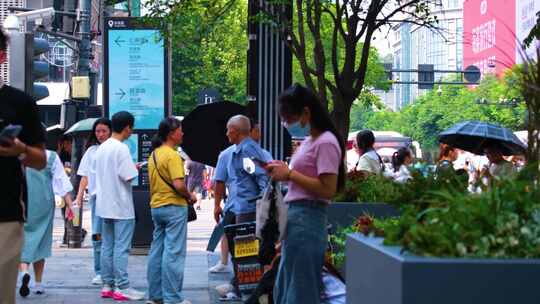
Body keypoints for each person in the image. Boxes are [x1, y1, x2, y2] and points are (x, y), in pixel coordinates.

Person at [265, 84, 345, 304]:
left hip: (307, 218)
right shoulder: (311, 141)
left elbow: (327, 188)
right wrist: (285, 171)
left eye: (289, 118)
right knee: (290, 285)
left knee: (300, 289)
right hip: (299, 219)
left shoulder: (326, 142)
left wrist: (289, 174)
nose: (287, 124)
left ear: (306, 113)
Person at [0, 26, 47, 304]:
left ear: (2, 57)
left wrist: (19, 150)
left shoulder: (20, 103)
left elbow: (40, 160)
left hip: (5, 215)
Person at [216, 115, 271, 300]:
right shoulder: (241, 150)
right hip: (241, 207)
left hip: (249, 209)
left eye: (227, 129)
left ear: (235, 131)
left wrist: (262, 205)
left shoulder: (248, 150)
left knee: (246, 251)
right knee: (242, 250)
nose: (225, 133)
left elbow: (261, 178)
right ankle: (241, 286)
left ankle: (246, 290)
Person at [94, 111, 144, 301]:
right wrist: (135, 168)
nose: (131, 131)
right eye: (131, 128)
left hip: (104, 205)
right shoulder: (121, 148)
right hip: (121, 205)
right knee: (121, 247)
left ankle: (107, 285)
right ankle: (122, 286)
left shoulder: (102, 148)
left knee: (107, 246)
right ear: (127, 128)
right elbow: (128, 176)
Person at [146, 117, 196, 304]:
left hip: (157, 207)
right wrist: (190, 195)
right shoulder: (173, 155)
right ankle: (173, 298)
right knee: (173, 253)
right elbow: (178, 184)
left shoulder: (154, 155)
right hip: (174, 207)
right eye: (180, 130)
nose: (182, 133)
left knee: (157, 251)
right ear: (171, 133)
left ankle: (156, 295)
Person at [19, 150, 73, 297]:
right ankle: (38, 283)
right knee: (41, 240)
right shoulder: (50, 156)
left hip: (22, 204)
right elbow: (61, 181)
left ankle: (24, 272)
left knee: (22, 241)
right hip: (44, 204)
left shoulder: (18, 152)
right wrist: (69, 205)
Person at [74, 118, 112, 286]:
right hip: (97, 200)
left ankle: (111, 272)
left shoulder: (115, 149)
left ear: (110, 131)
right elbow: (85, 176)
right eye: (97, 131)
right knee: (97, 235)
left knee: (113, 237)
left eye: (104, 131)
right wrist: (79, 196)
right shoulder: (91, 151)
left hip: (113, 199)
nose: (100, 134)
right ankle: (99, 271)